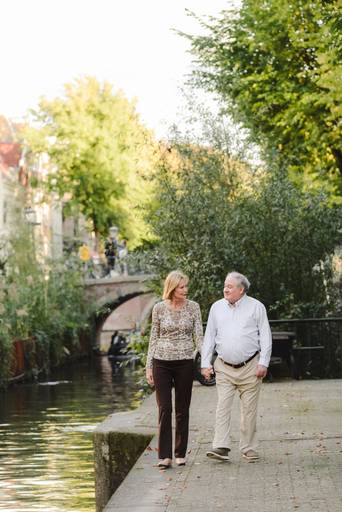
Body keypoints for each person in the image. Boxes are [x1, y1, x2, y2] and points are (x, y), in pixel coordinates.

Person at [201, 271, 272, 462]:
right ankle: (221, 446)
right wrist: (205, 363)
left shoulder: (256, 307)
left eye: (230, 286)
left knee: (249, 410)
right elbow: (209, 337)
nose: (225, 288)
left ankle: (248, 447)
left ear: (241, 290)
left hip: (251, 366)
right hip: (223, 366)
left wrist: (263, 362)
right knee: (223, 406)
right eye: (225, 285)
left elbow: (265, 336)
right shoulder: (216, 308)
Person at [146, 270, 203, 469]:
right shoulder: (159, 308)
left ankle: (180, 453)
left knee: (182, 409)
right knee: (164, 409)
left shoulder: (194, 307)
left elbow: (199, 337)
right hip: (161, 361)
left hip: (185, 361)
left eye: (186, 286)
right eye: (182, 287)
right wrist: (149, 367)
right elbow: (153, 338)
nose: (185, 290)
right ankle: (164, 456)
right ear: (172, 288)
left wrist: (205, 362)